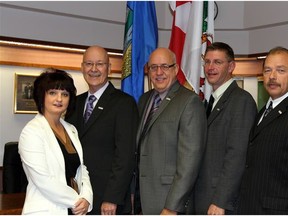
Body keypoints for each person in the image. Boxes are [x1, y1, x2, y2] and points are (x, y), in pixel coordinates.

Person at [65, 45, 139, 215]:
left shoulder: (124, 103)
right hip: (76, 198)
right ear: (82, 67)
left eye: (100, 64)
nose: (94, 69)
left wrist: (112, 198)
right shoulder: (74, 104)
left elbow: (125, 156)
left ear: (109, 68)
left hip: (107, 201)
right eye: (89, 64)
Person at [135, 47, 207, 214]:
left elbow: (190, 162)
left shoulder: (189, 102)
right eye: (153, 67)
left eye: (165, 66)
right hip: (143, 199)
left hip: (169, 202)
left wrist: (172, 206)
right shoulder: (144, 100)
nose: (159, 72)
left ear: (175, 69)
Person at [193, 42, 257, 214]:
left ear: (231, 66)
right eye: (207, 62)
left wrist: (221, 200)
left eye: (217, 62)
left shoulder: (241, 101)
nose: (210, 67)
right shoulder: (208, 102)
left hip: (219, 203)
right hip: (201, 197)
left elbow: (237, 156)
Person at [19, 68, 93, 215]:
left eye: (65, 94)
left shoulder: (71, 129)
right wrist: (77, 201)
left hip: (73, 209)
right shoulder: (32, 131)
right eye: (52, 93)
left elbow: (81, 169)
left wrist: (87, 198)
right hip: (47, 209)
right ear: (42, 96)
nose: (59, 99)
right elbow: (44, 181)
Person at [237, 47, 288, 214]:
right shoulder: (262, 113)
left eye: (281, 70)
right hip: (251, 206)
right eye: (268, 70)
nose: (272, 76)